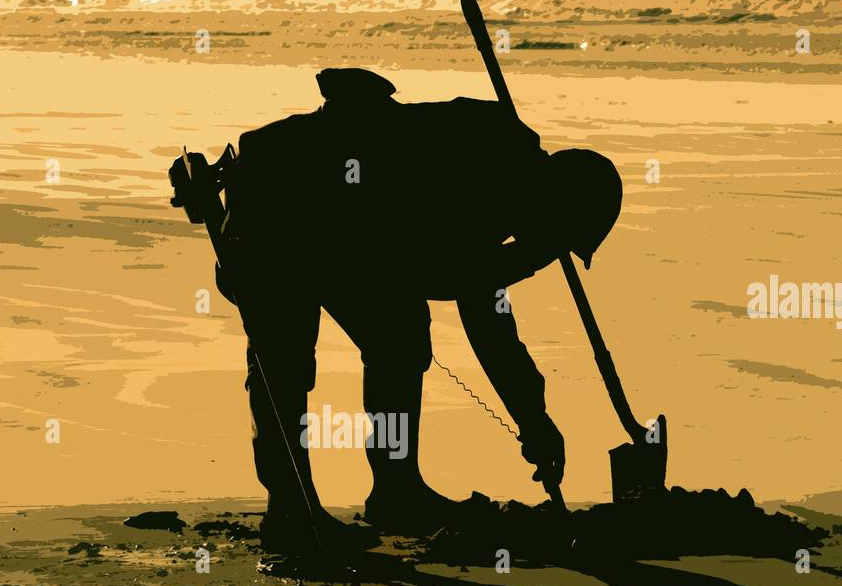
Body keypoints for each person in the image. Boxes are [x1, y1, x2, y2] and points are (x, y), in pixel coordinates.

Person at [216, 67, 623, 552]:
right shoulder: (490, 165)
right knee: (284, 363)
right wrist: (533, 418)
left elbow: (456, 283)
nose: (550, 250)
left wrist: (533, 416)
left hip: (352, 238)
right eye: (558, 240)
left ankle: (396, 492)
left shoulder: (514, 186)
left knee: (400, 337)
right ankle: (291, 511)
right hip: (277, 206)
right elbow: (469, 295)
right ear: (556, 202)